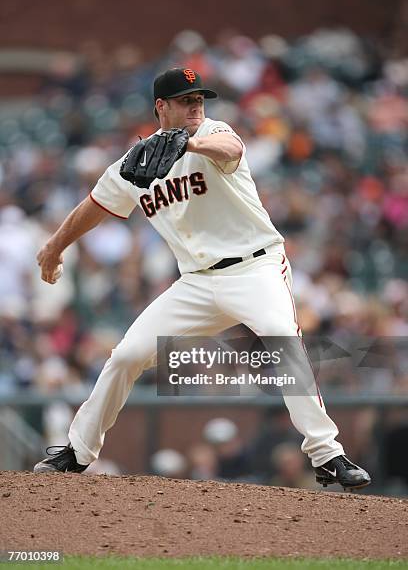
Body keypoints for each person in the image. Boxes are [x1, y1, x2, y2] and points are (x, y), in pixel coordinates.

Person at [34, 67, 371, 491]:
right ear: (161, 107)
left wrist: (189, 142)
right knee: (126, 355)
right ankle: (77, 452)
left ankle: (327, 455)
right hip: (195, 283)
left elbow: (230, 148)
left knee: (280, 335)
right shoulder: (135, 163)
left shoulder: (214, 133)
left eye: (199, 99)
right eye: (185, 101)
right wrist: (54, 247)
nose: (196, 106)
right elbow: (95, 205)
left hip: (255, 268)